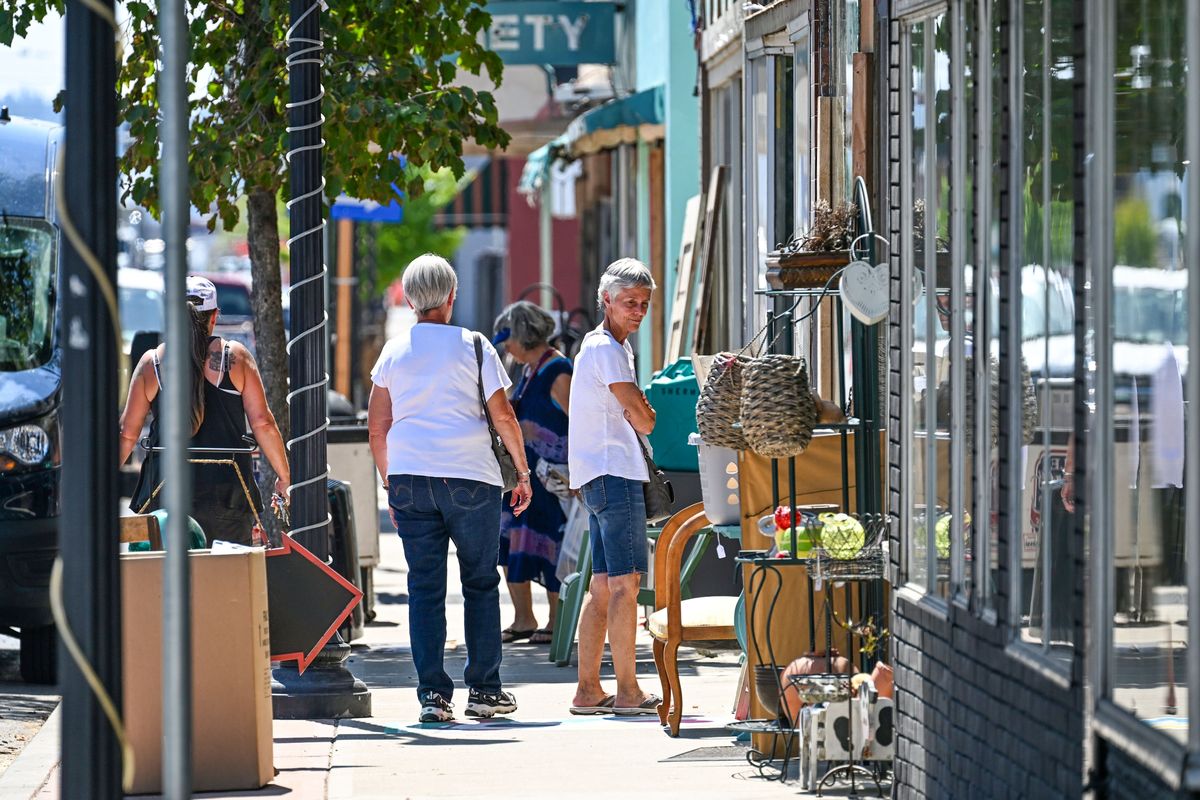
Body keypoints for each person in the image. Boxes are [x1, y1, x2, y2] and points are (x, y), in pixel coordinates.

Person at [367, 254, 533, 723]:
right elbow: (503, 417)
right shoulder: (475, 346)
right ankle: (484, 690)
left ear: (412, 299)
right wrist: (522, 473)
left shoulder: (393, 353)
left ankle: (433, 697)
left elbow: (377, 427)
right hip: (471, 478)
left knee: (424, 588)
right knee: (479, 582)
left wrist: (390, 482)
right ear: (451, 296)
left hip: (410, 480)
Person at [119, 276, 290, 546]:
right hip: (228, 496)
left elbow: (127, 434)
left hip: (164, 493)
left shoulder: (152, 363)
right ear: (214, 317)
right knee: (227, 580)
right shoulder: (236, 357)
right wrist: (284, 476)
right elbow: (263, 423)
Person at [568, 258, 662, 716]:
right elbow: (644, 419)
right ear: (606, 300)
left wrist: (638, 410)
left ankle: (588, 689)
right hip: (615, 472)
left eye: (644, 304)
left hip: (597, 475)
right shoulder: (607, 349)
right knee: (627, 585)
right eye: (630, 302)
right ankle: (628, 691)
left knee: (603, 587)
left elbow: (635, 413)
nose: (638, 311)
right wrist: (642, 411)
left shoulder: (601, 347)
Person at [492, 301, 573, 645]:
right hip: (525, 477)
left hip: (551, 478)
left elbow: (578, 421)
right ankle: (524, 617)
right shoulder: (526, 371)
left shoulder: (559, 371)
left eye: (507, 340)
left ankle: (557, 620)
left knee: (551, 547)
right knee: (509, 543)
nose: (505, 347)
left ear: (522, 335)